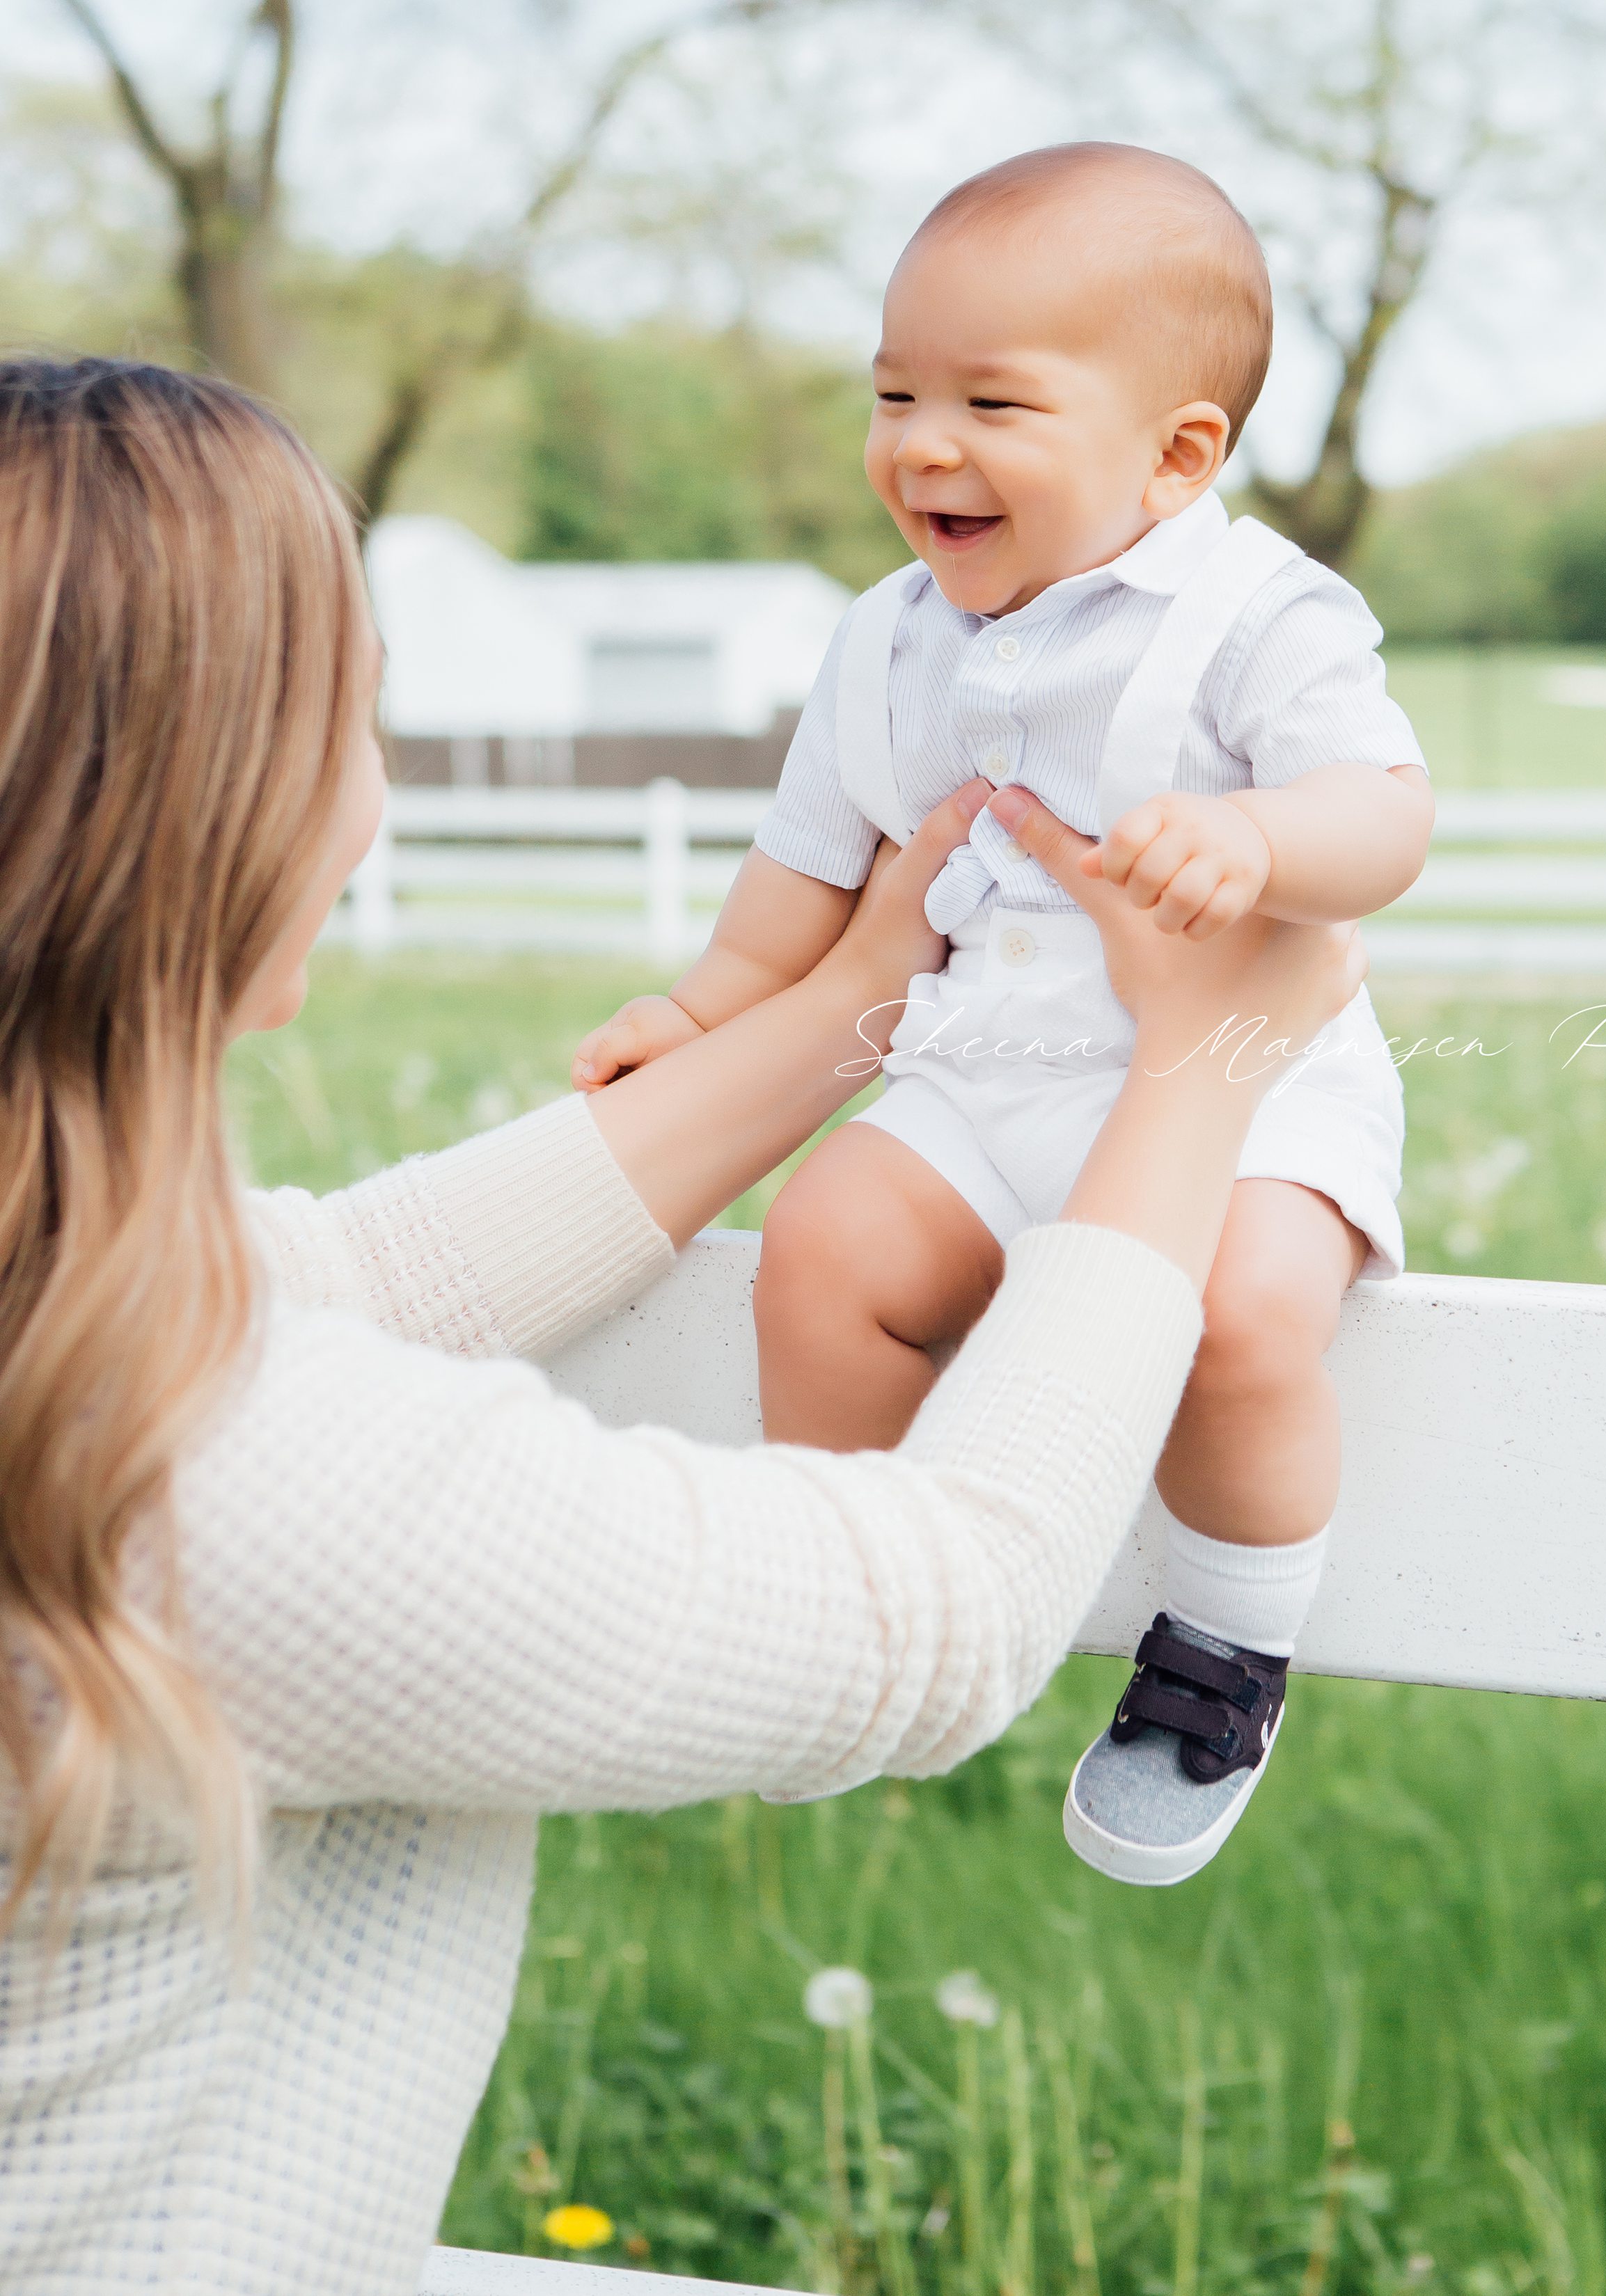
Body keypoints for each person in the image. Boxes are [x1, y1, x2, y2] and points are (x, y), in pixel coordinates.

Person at [0, 356, 1360, 2296]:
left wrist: (866, 994)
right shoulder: (201, 1485)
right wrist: (1201, 1073)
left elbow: (377, 1276)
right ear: (200, 811)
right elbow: (939, 1608)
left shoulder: (74, 1323)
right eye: (353, 708)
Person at [572, 143, 1433, 1884]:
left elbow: (1389, 816)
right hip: (989, 1075)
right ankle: (849, 1602)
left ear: (1177, 453)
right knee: (825, 1246)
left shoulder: (1257, 619)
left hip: (1242, 1084)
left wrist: (1261, 834)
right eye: (893, 393)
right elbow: (806, 878)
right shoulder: (885, 645)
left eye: (993, 403)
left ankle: (1222, 1653)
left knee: (1250, 1316)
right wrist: (704, 1007)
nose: (922, 444)